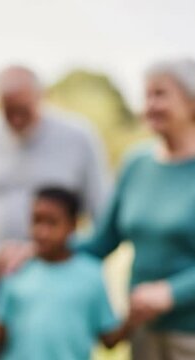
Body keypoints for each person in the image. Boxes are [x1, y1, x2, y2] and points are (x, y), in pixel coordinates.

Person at [0, 65, 111, 359]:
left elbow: (102, 214)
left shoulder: (78, 137)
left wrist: (44, 250)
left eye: (23, 108)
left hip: (54, 272)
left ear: (43, 97)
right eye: (6, 108)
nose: (14, 117)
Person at [72, 58, 195, 360]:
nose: (150, 105)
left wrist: (171, 293)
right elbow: (102, 241)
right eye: (147, 96)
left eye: (161, 94)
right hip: (142, 330)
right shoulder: (136, 164)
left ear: (192, 102)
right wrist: (41, 248)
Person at [0, 187, 134, 360]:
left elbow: (108, 339)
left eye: (52, 222)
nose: (42, 231)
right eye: (36, 220)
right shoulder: (15, 269)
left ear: (73, 225)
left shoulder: (91, 275)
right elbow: (0, 332)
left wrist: (134, 318)